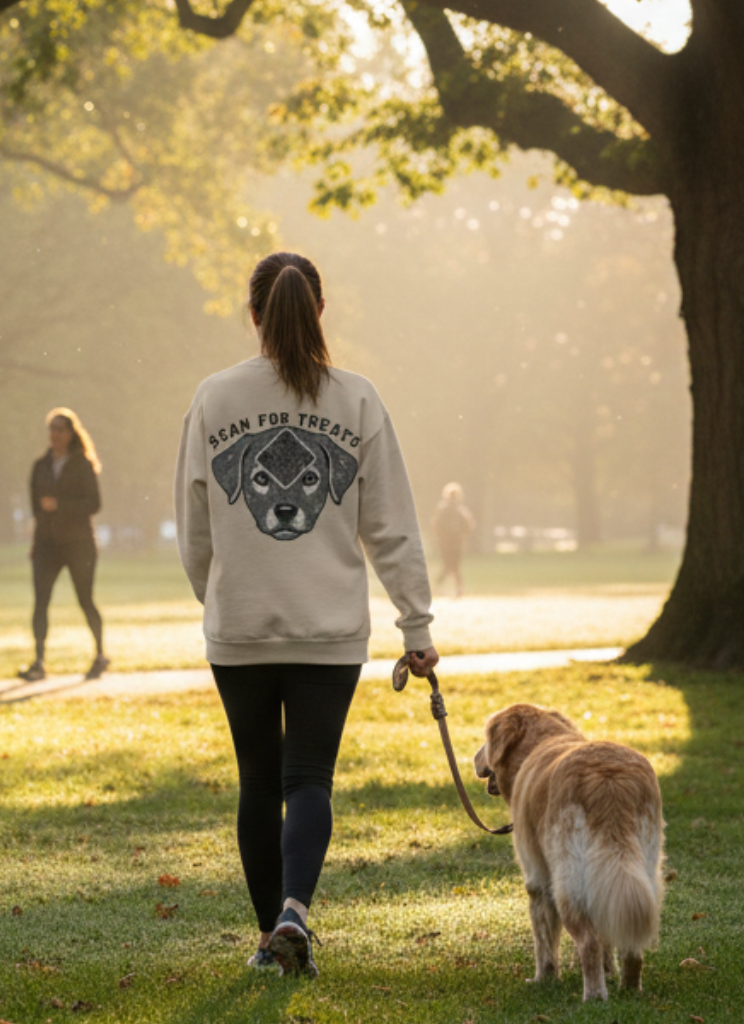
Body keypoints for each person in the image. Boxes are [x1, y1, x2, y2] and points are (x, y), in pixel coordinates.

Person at [175, 251, 439, 978]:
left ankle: (270, 939)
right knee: (309, 779)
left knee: (258, 782)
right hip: (328, 631)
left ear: (253, 315)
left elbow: (194, 525)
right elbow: (392, 524)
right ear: (319, 311)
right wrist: (415, 626)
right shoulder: (356, 399)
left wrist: (221, 594)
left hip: (242, 626)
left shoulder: (214, 397)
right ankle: (295, 910)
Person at [19, 408, 108, 683]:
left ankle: (99, 654)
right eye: (51, 429)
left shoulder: (82, 465)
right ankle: (39, 661)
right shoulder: (40, 466)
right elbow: (36, 509)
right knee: (41, 602)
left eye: (59, 429)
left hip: (79, 543)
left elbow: (94, 504)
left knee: (85, 599)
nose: (54, 434)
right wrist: (35, 541)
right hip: (47, 544)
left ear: (71, 433)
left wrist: (61, 506)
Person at [432, 482, 475, 597]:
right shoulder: (460, 510)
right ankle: (458, 589)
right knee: (455, 566)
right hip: (456, 542)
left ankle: (439, 586)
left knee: (448, 566)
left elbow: (436, 526)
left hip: (446, 542)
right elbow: (468, 526)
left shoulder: (442, 509)